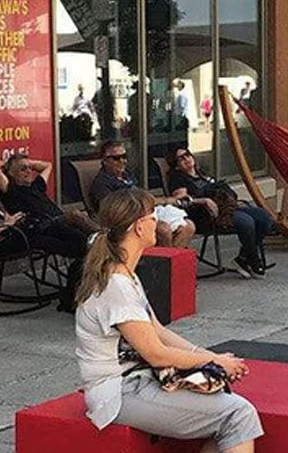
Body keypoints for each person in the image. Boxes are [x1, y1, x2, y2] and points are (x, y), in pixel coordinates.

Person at [74, 189, 263, 452]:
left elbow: (158, 331)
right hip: (119, 393)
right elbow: (157, 354)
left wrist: (213, 356)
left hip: (139, 382)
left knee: (231, 412)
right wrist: (215, 361)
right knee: (238, 414)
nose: (158, 221)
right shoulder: (116, 286)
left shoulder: (124, 276)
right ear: (139, 227)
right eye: (154, 215)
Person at [0, 162, 88, 309]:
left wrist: (13, 219)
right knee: (39, 238)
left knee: (49, 228)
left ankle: (86, 246)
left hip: (11, 235)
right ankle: (83, 253)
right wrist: (6, 225)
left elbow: (4, 218)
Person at [0, 155, 100, 312]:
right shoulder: (10, 189)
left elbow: (47, 164)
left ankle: (77, 287)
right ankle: (105, 236)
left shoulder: (36, 186)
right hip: (42, 226)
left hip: (56, 226)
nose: (29, 171)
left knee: (86, 245)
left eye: (30, 168)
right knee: (77, 216)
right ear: (11, 173)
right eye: (23, 169)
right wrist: (10, 164)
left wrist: (28, 164)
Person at [166, 148, 274, 278]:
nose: (186, 159)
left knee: (264, 218)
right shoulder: (178, 178)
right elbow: (180, 200)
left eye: (187, 155)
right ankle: (253, 261)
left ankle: (243, 258)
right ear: (176, 166)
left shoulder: (202, 175)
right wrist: (204, 200)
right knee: (246, 222)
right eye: (181, 159)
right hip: (205, 216)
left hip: (226, 209)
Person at [89, 141, 196, 248]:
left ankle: (173, 262)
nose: (123, 161)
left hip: (146, 212)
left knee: (188, 226)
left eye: (124, 156)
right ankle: (165, 262)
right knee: (163, 229)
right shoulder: (102, 183)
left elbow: (142, 195)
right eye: (117, 158)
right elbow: (110, 211)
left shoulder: (127, 175)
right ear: (105, 161)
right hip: (128, 220)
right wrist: (161, 201)